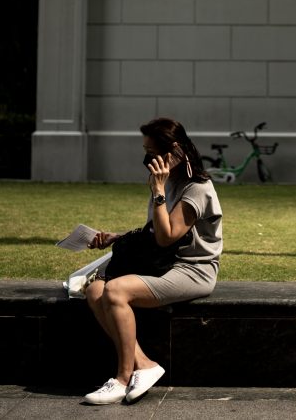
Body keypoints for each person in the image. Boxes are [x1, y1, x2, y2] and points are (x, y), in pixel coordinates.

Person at [82, 117, 222, 405]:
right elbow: (154, 232)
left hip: (192, 269)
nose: (147, 159)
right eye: (145, 151)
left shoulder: (197, 188)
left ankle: (122, 379)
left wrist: (158, 192)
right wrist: (116, 237)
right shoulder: (168, 181)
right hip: (163, 263)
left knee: (115, 290)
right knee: (95, 289)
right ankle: (144, 364)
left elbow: (166, 237)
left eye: (152, 152)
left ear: (174, 151)